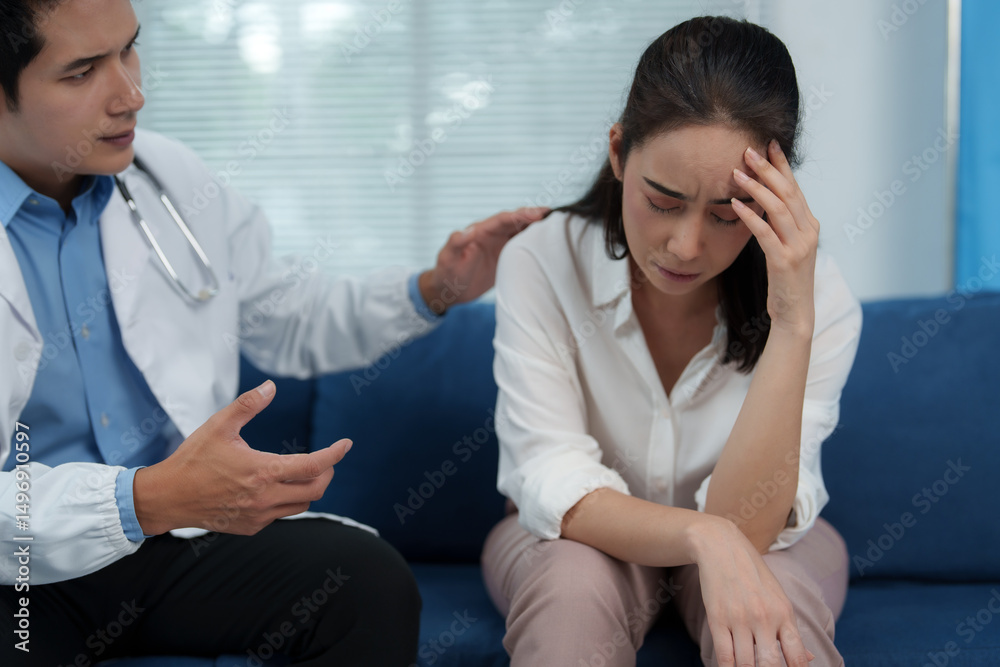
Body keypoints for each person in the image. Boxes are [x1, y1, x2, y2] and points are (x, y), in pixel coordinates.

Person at [0, 0, 546, 664]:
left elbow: (288, 316)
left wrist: (437, 288)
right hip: (20, 568)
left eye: (128, 51)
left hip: (172, 543)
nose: (131, 94)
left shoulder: (167, 178)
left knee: (364, 583)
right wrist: (142, 497)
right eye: (83, 72)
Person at [481, 15, 862, 667]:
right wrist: (702, 535)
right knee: (570, 597)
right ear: (618, 152)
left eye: (726, 215)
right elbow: (551, 481)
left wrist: (791, 324)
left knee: (777, 617)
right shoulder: (541, 261)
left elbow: (751, 529)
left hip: (761, 538)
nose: (686, 246)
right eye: (662, 201)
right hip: (582, 538)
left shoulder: (818, 299)